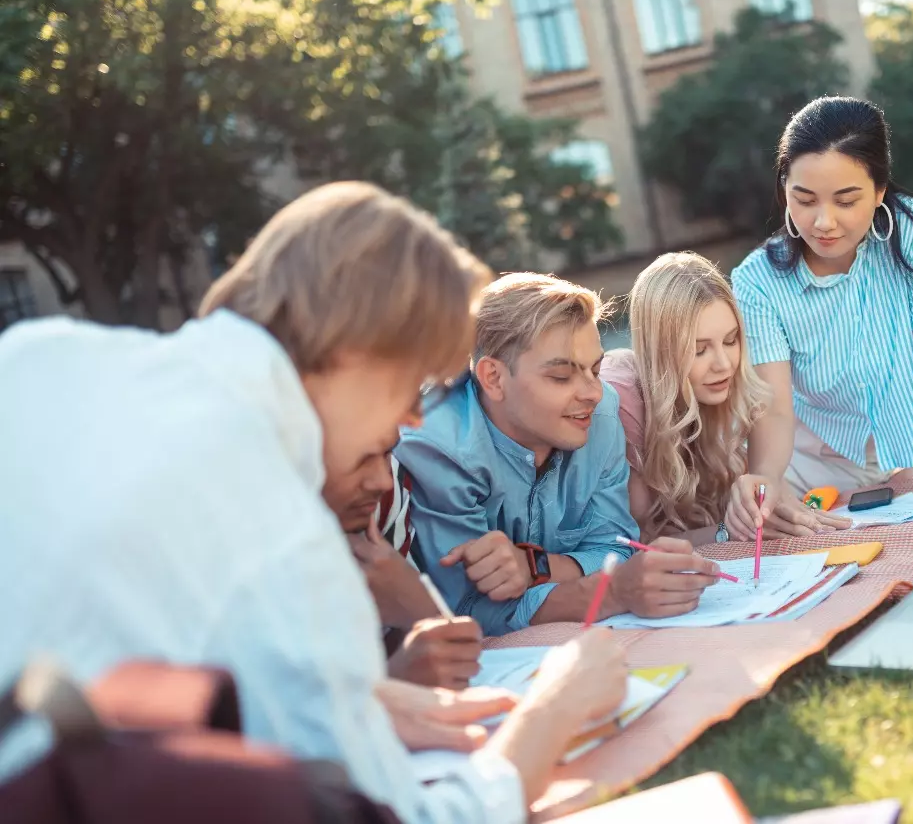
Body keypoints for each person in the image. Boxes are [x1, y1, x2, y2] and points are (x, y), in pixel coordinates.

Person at [0, 181, 629, 824]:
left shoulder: (35, 357)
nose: (409, 421)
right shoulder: (287, 539)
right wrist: (554, 708)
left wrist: (368, 704)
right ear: (359, 353)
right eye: (410, 385)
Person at [726, 96, 913, 542]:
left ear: (880, 190)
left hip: (892, 460)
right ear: (784, 190)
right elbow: (772, 404)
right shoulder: (757, 281)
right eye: (804, 199)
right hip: (799, 462)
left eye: (847, 200)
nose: (824, 222)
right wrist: (769, 479)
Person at [396, 273, 723, 636]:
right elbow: (468, 609)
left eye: (595, 370)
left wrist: (534, 567)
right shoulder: (438, 447)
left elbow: (615, 548)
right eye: (562, 377)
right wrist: (610, 592)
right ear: (493, 378)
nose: (593, 393)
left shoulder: (599, 414)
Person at [600, 252, 770, 543]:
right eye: (699, 349)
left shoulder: (717, 395)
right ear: (661, 352)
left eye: (731, 341)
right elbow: (630, 546)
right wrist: (727, 533)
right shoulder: (620, 403)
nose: (724, 364)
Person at [326, 443, 483, 691]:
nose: (382, 481)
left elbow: (443, 659)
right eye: (359, 460)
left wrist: (416, 605)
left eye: (387, 451)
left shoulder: (385, 494)